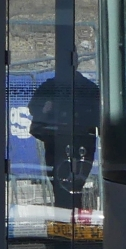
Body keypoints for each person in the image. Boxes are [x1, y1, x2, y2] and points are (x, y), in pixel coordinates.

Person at [27, 69, 100, 209]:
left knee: (70, 185)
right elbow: (33, 107)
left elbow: (99, 116)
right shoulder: (51, 86)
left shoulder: (88, 88)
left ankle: (68, 216)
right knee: (64, 185)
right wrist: (45, 109)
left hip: (77, 143)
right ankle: (66, 217)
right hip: (60, 142)